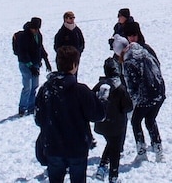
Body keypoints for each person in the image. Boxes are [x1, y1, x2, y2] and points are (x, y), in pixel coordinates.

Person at [35, 46, 105, 183]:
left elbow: (38, 119)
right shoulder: (81, 91)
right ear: (74, 65)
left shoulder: (45, 90)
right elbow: (98, 115)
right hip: (76, 148)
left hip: (52, 146)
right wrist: (102, 100)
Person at [121, 21, 166, 163]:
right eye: (129, 35)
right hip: (158, 92)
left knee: (136, 121)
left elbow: (130, 81)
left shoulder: (131, 55)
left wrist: (132, 98)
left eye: (134, 35)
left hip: (146, 94)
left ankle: (142, 152)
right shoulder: (146, 50)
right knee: (150, 120)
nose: (132, 38)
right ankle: (158, 150)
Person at [92, 55, 131, 183]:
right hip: (116, 126)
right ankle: (113, 176)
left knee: (111, 143)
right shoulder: (120, 88)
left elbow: (91, 100)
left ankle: (102, 167)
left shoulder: (99, 85)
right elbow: (128, 106)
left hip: (101, 125)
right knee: (115, 150)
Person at [13, 18, 52, 116]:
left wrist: (46, 60)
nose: (35, 30)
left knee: (34, 86)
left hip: (35, 63)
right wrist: (31, 66)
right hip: (25, 64)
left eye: (37, 28)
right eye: (34, 28)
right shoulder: (24, 37)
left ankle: (31, 107)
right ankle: (22, 108)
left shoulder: (38, 35)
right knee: (27, 86)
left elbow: (40, 48)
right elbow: (23, 53)